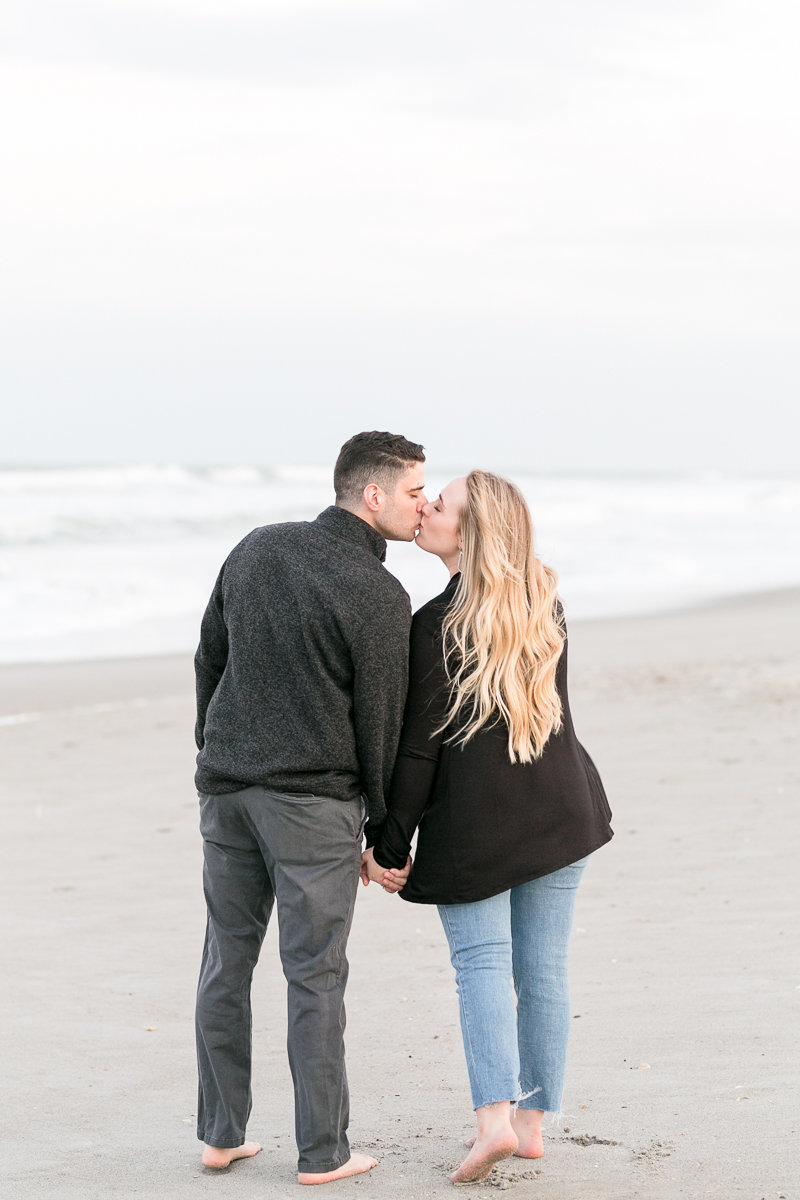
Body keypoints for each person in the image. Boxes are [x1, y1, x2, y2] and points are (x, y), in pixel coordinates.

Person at [361, 470, 613, 1184]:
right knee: (543, 970)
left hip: (479, 826)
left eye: (439, 505)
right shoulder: (542, 602)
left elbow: (420, 751)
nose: (425, 509)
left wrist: (387, 844)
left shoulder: (435, 623)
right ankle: (530, 1127)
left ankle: (494, 1123)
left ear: (469, 534)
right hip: (563, 810)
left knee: (481, 966)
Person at [193, 431, 425, 1183]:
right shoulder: (378, 593)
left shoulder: (257, 547)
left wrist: (214, 747)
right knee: (315, 976)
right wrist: (384, 836)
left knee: (225, 961)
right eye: (415, 491)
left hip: (227, 792)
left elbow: (209, 656)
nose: (423, 505)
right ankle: (324, 1153)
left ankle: (220, 1136)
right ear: (374, 495)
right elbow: (380, 724)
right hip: (312, 805)